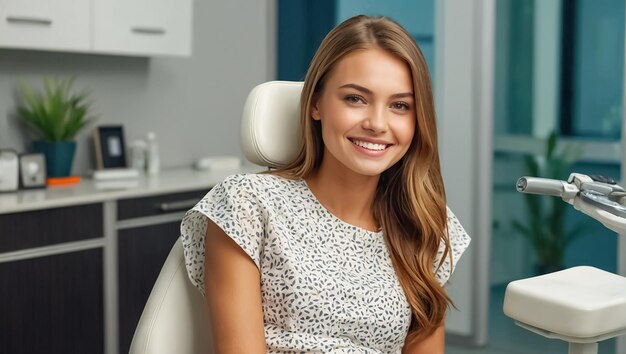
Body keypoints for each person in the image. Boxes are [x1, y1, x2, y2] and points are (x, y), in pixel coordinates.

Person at [181, 15, 470, 354]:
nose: (377, 123)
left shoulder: (425, 224)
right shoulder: (248, 204)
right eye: (355, 99)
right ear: (317, 103)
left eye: (399, 106)